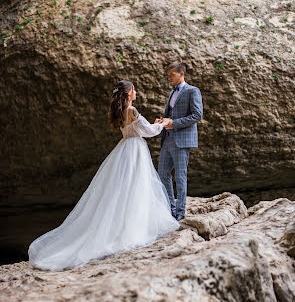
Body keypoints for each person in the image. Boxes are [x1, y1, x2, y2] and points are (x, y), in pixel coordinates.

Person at [28, 80, 180, 271]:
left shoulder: (120, 111)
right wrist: (161, 124)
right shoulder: (131, 110)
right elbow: (147, 132)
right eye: (133, 89)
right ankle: (132, 229)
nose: (135, 92)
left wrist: (153, 125)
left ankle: (123, 225)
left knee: (123, 189)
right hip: (135, 150)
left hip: (125, 149)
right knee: (136, 187)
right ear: (128, 93)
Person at [155, 62, 203, 221]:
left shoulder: (192, 91)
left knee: (180, 177)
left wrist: (173, 123)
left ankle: (180, 213)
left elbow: (197, 116)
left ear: (181, 74)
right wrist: (163, 121)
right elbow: (172, 115)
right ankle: (171, 208)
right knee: (162, 174)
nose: (169, 78)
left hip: (182, 140)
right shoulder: (171, 93)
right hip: (167, 139)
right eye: (168, 75)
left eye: (172, 75)